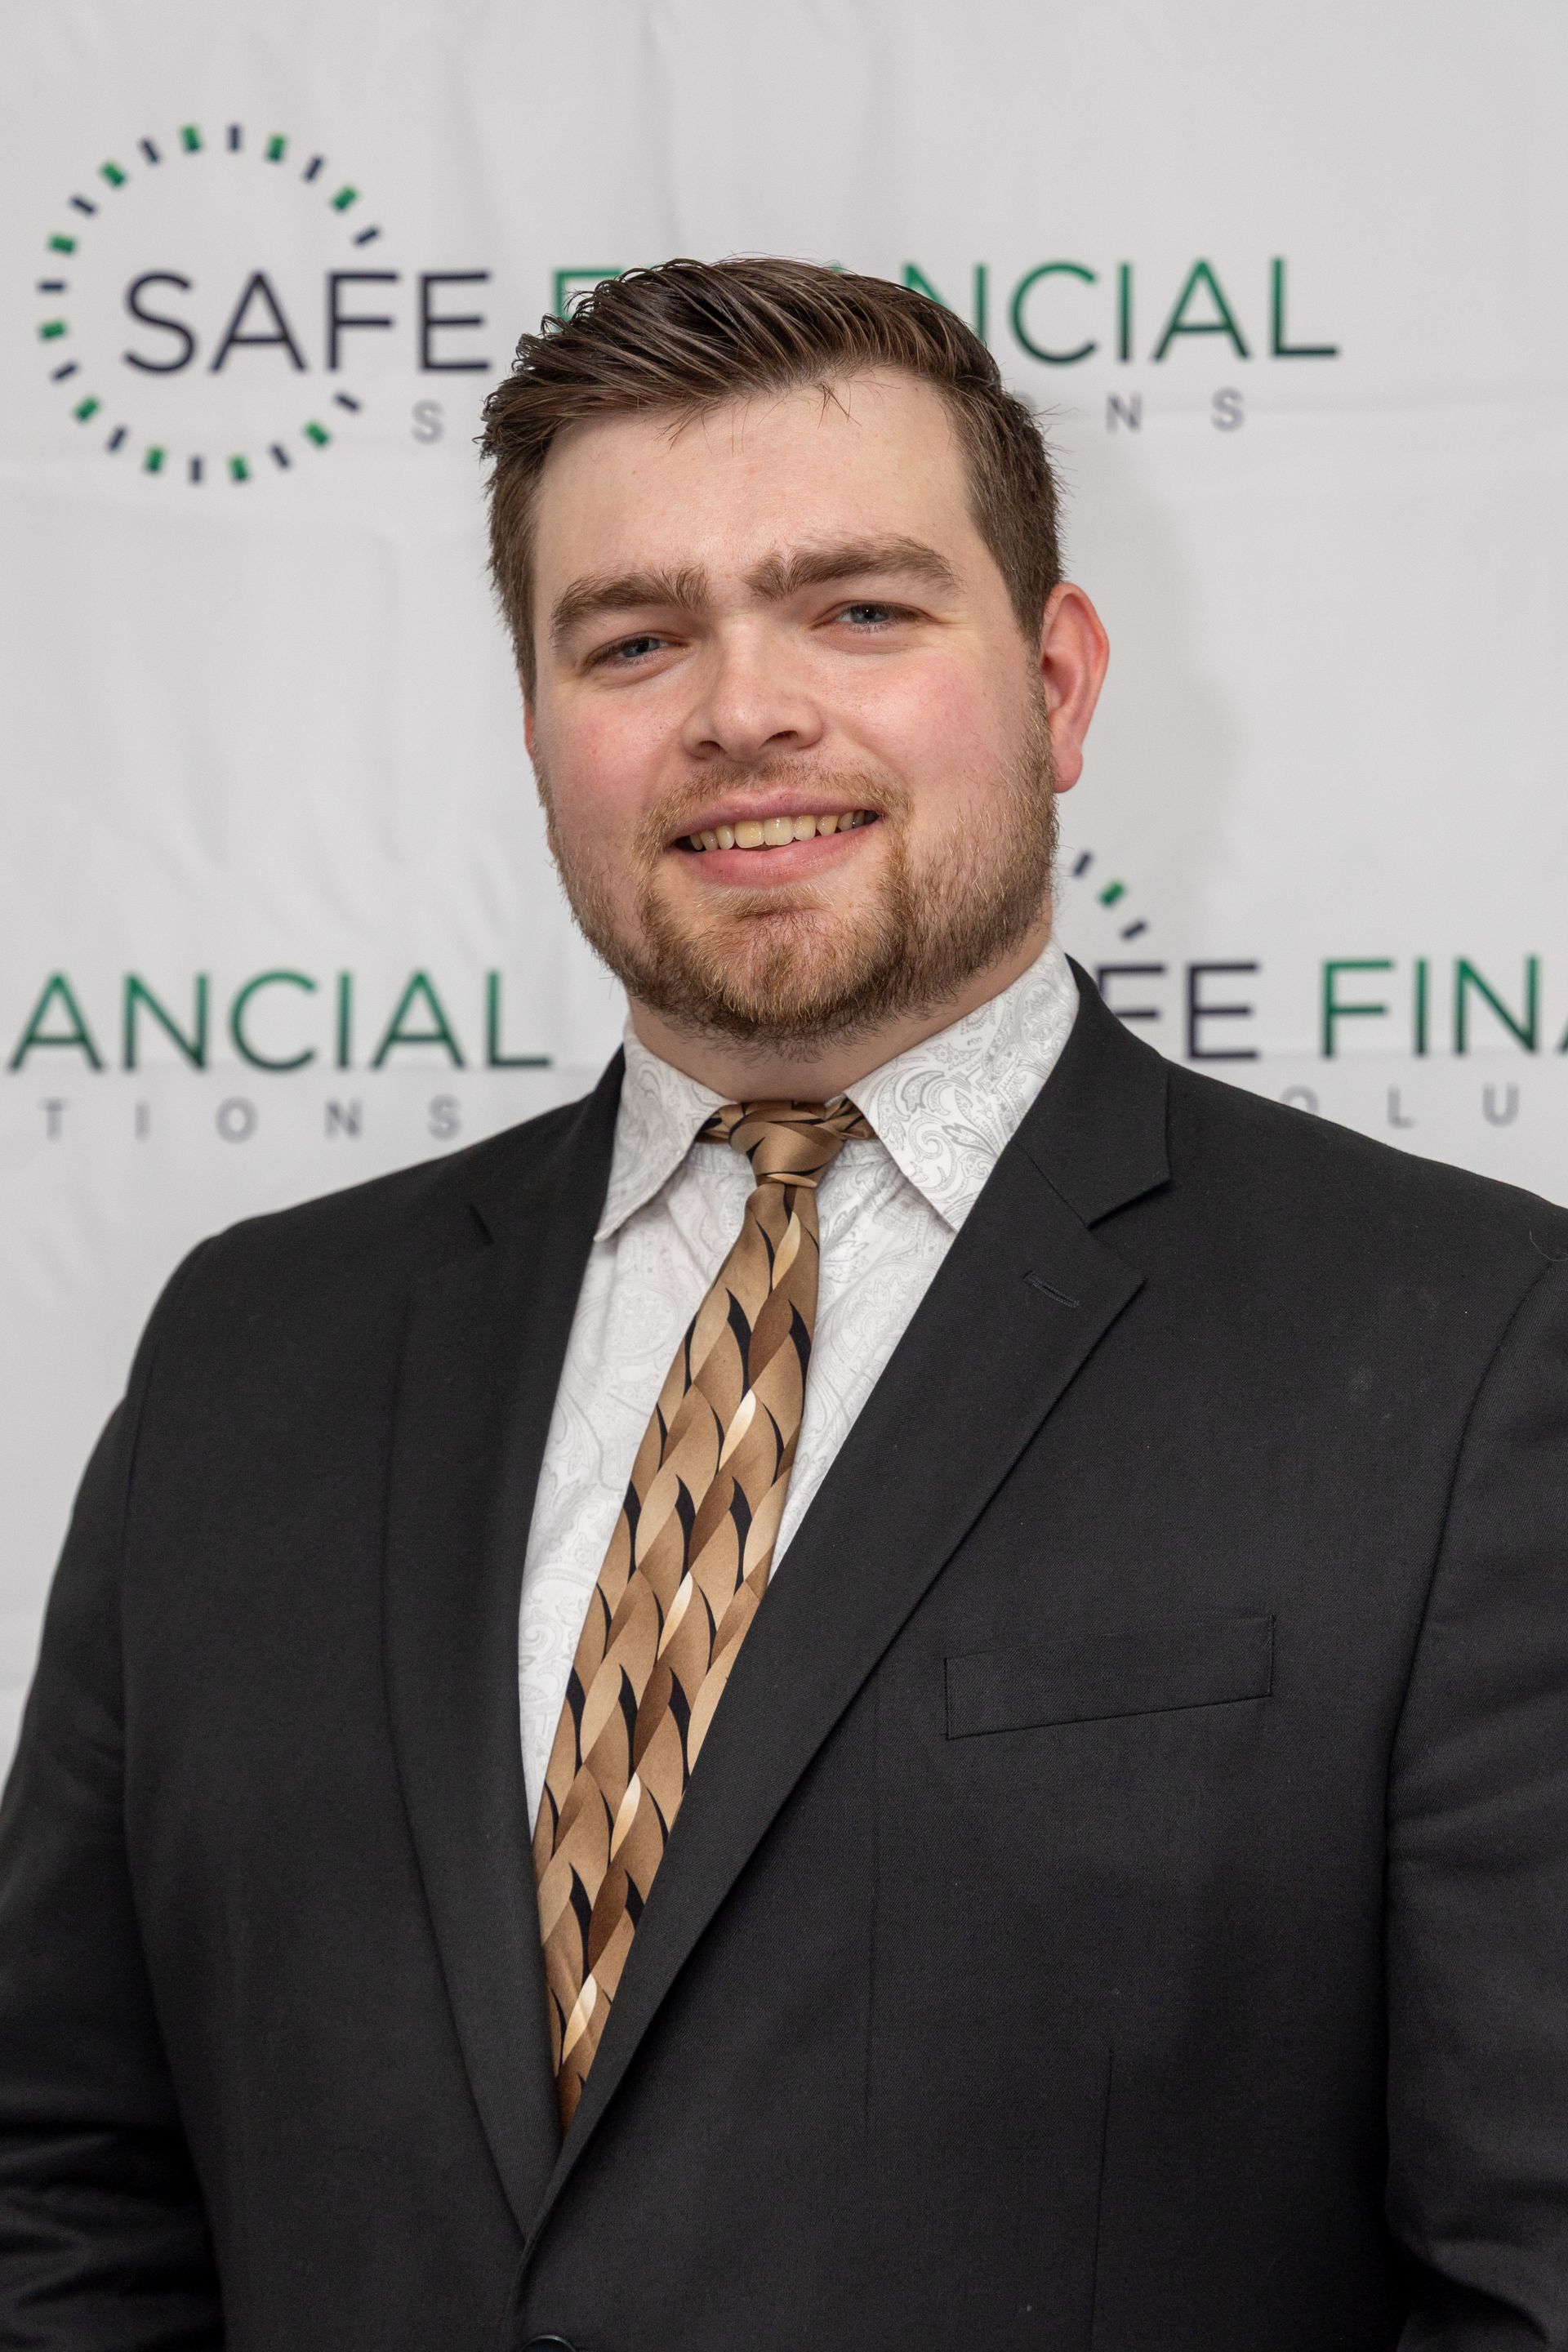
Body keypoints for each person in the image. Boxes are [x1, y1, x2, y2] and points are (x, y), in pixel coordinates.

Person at [1, 255, 1566, 2352]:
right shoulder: (250, 1352)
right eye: (634, 638)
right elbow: (62, 2186)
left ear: (1061, 682)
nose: (745, 709)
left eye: (860, 607)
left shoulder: (1468, 1349)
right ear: (542, 730)